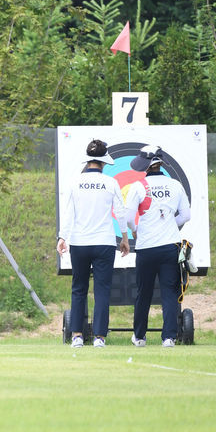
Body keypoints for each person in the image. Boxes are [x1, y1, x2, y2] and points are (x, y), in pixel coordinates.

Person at [57, 139, 130, 348]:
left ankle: (77, 336)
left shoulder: (74, 182)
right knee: (102, 290)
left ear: (88, 160)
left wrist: (63, 237)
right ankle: (99, 337)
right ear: (103, 162)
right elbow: (121, 212)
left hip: (80, 242)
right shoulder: (111, 183)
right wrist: (124, 238)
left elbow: (69, 212)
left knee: (78, 288)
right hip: (104, 243)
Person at [123, 145, 191, 348]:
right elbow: (186, 216)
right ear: (161, 163)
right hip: (170, 246)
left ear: (145, 165)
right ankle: (169, 338)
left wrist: (135, 230)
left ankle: (140, 337)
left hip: (146, 247)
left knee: (144, 292)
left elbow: (128, 218)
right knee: (170, 292)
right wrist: (171, 225)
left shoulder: (138, 186)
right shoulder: (175, 185)